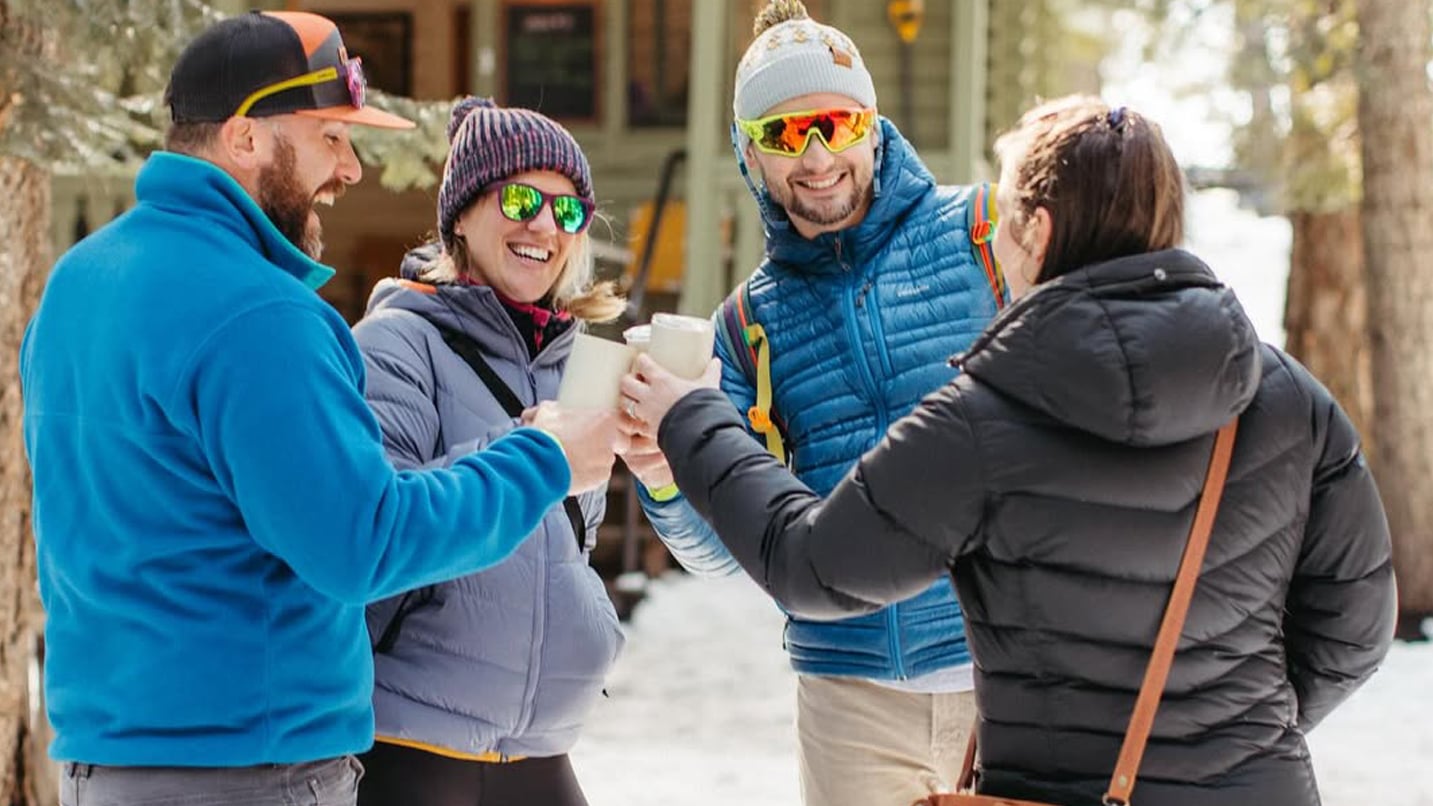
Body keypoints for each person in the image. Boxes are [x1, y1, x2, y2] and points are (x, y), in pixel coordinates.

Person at [622, 95, 1397, 805]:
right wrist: (1230, 733)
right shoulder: (1292, 398)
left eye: (1010, 212)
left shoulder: (982, 418)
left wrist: (691, 417)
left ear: (1042, 231)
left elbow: (815, 568)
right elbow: (1357, 625)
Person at [20, 12, 619, 806]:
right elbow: (361, 542)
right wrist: (541, 459)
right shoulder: (261, 314)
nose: (351, 169)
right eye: (330, 136)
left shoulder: (79, 281)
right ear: (246, 139)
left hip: (110, 763)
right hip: (249, 767)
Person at [618, 2, 1002, 804]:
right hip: (850, 699)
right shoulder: (745, 327)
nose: (817, 155)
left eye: (834, 122)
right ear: (747, 154)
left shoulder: (986, 238)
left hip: (1005, 677)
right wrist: (660, 473)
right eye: (783, 135)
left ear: (872, 124)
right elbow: (728, 554)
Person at [350, 97, 624, 806]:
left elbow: (573, 540)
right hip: (414, 743)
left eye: (567, 212)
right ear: (461, 216)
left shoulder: (578, 361)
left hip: (542, 746)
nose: (543, 224)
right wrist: (528, 449)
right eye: (521, 198)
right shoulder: (395, 344)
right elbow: (377, 529)